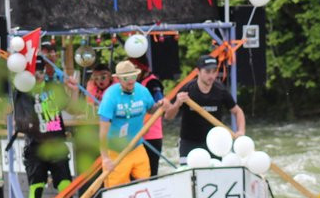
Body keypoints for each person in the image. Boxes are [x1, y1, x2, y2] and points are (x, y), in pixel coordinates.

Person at [15, 54, 78, 198]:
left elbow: (73, 109)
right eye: (34, 73)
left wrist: (74, 91)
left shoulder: (54, 88)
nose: (38, 76)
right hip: (34, 146)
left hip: (57, 143)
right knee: (36, 189)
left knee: (66, 188)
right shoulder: (20, 91)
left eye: (41, 72)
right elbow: (13, 117)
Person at [164, 54, 245, 163]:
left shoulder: (220, 90)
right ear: (198, 72)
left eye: (214, 71)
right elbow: (168, 117)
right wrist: (177, 103)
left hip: (214, 143)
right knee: (189, 176)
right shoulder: (187, 89)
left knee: (215, 177)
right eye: (207, 72)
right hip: (190, 142)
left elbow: (237, 111)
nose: (211, 76)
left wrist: (241, 131)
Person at [98, 60, 163, 188]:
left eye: (133, 76)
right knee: (116, 191)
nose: (131, 81)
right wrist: (105, 158)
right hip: (116, 151)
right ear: (118, 79)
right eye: (126, 78)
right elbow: (103, 132)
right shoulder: (110, 96)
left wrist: (160, 106)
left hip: (137, 146)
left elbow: (151, 109)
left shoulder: (142, 91)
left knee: (146, 185)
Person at [132, 57, 165, 176]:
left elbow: (160, 104)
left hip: (151, 136)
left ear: (142, 68)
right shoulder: (133, 84)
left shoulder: (152, 83)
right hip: (134, 136)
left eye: (135, 68)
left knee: (151, 173)